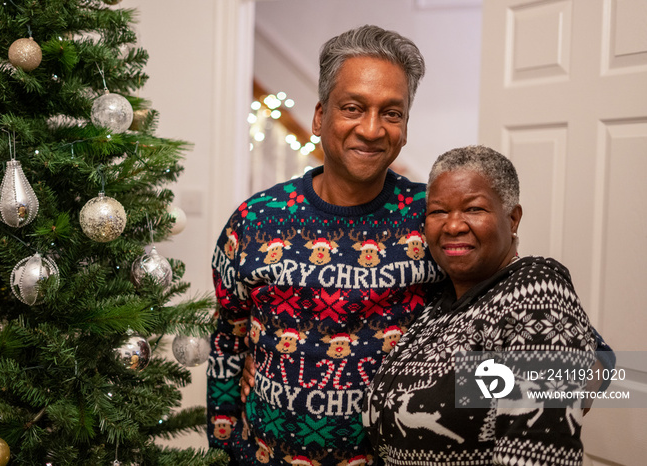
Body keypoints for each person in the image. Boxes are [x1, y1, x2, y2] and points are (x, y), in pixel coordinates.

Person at [207, 25, 443, 464]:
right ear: (319, 116)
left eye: (392, 113)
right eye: (353, 108)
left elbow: (585, 367)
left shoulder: (437, 219)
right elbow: (227, 344)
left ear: (406, 127)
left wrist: (459, 398)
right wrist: (224, 451)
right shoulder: (255, 221)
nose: (372, 130)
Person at [363, 145, 606, 465]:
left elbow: (535, 453)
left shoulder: (534, 291)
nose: (453, 225)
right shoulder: (440, 303)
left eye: (474, 209)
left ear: (513, 218)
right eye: (438, 211)